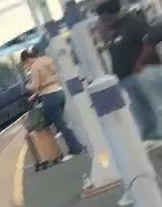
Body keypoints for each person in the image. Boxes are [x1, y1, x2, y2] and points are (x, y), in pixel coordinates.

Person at [96, 0, 162, 145]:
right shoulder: (113, 31)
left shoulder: (132, 23)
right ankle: (150, 135)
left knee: (153, 102)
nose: (103, 20)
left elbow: (148, 43)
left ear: (111, 13)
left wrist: (138, 64)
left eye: (104, 17)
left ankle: (157, 133)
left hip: (141, 72)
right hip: (126, 76)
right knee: (139, 107)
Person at [21, 48, 86, 156]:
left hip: (49, 97)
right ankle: (73, 147)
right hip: (59, 92)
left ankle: (77, 148)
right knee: (62, 123)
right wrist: (36, 94)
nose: (26, 66)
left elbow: (35, 85)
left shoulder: (34, 67)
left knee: (61, 125)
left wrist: (28, 86)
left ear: (27, 59)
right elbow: (50, 78)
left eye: (25, 63)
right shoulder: (47, 60)